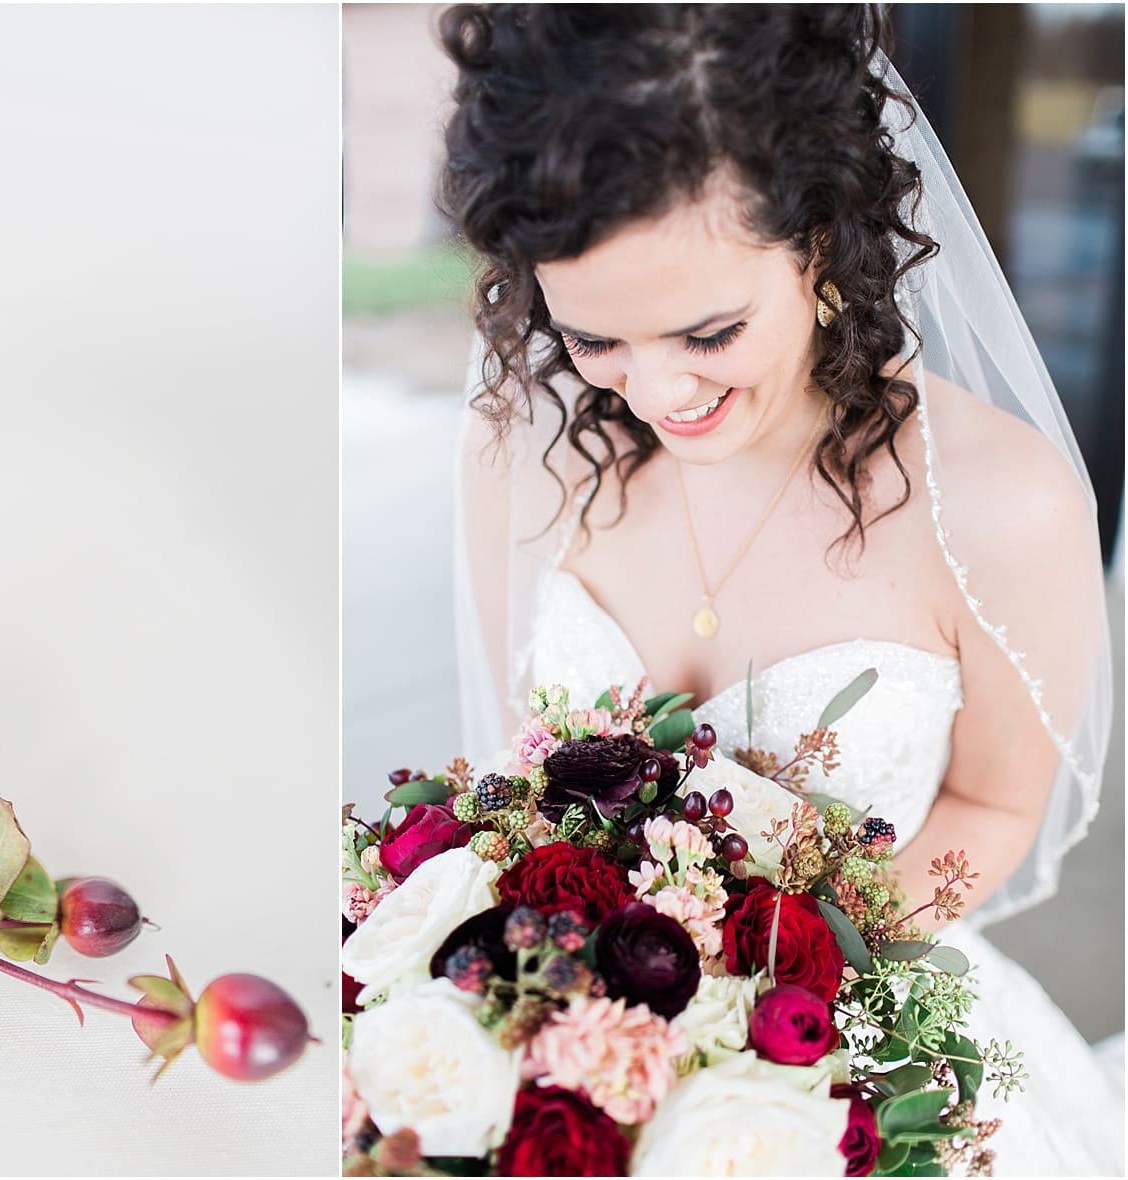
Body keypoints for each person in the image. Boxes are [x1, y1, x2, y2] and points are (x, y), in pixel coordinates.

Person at [439, 5, 1120, 1173]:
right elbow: (526, 773)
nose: (654, 391)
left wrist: (769, 995)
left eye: (706, 331)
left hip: (853, 1054)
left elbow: (992, 813)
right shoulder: (523, 449)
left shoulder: (1001, 503)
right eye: (593, 339)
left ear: (818, 238)